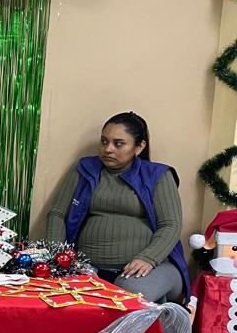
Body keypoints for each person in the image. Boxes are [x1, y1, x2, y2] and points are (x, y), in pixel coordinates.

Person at [44, 112, 187, 304]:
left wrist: (148, 258)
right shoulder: (85, 169)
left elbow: (171, 225)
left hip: (151, 267)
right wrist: (57, 257)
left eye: (118, 144)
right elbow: (57, 214)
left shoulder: (157, 175)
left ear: (139, 146)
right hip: (89, 266)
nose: (108, 149)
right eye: (104, 141)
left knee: (126, 296)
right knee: (73, 297)